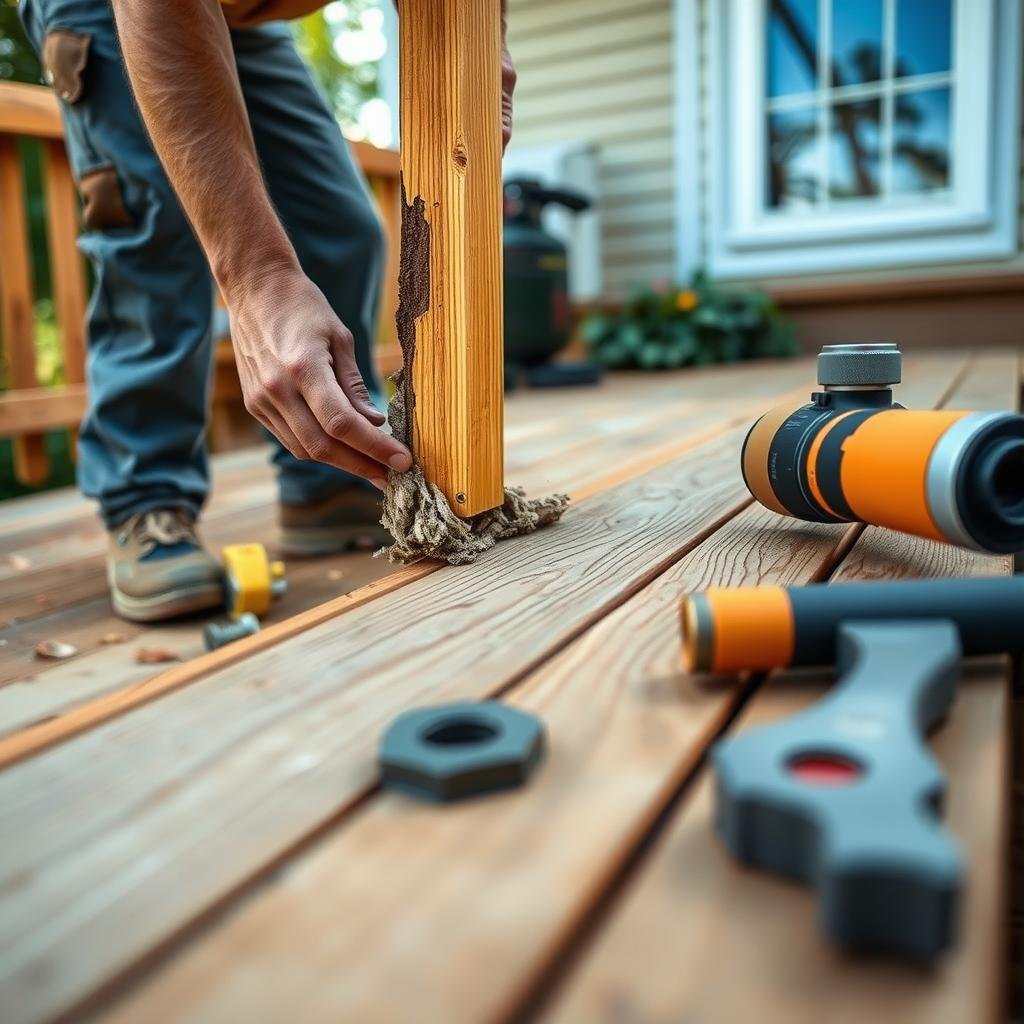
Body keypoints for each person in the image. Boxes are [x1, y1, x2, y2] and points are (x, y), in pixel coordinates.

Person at [18, 0, 515, 621]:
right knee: (155, 238)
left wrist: (485, 38)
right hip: (123, 10)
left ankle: (328, 484)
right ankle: (145, 497)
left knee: (341, 228)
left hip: (245, 17)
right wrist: (256, 277)